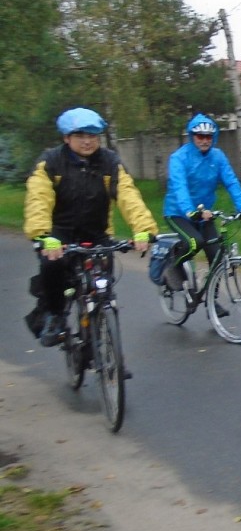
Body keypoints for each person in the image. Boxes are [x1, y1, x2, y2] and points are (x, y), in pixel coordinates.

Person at [23, 107, 158, 350]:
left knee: (103, 284)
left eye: (93, 136)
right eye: (81, 135)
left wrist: (143, 229)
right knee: (51, 268)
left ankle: (101, 336)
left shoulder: (109, 162)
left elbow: (128, 195)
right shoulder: (51, 162)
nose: (88, 141)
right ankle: (55, 315)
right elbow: (38, 199)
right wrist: (43, 235)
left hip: (96, 234)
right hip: (59, 234)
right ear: (67, 138)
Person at [163, 113, 241, 316]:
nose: (204, 140)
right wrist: (189, 211)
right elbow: (180, 187)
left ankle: (212, 301)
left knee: (217, 255)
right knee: (195, 243)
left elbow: (231, 181)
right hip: (177, 212)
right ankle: (173, 265)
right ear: (192, 136)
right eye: (199, 136)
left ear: (214, 137)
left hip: (204, 214)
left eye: (208, 137)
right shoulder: (179, 158)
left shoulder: (218, 157)